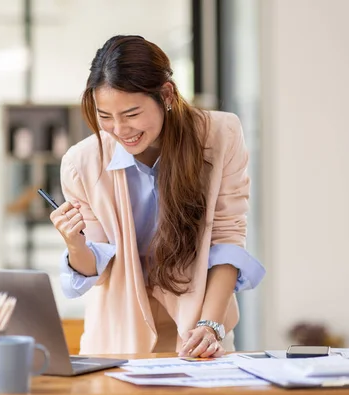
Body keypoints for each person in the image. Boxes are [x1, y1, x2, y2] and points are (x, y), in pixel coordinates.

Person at [49, 35, 265, 358]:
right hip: (119, 344)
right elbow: (99, 266)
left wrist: (210, 326)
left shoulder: (221, 137)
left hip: (200, 335)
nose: (120, 130)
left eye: (131, 114)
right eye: (105, 116)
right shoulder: (81, 164)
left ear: (166, 94)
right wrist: (75, 245)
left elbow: (227, 240)